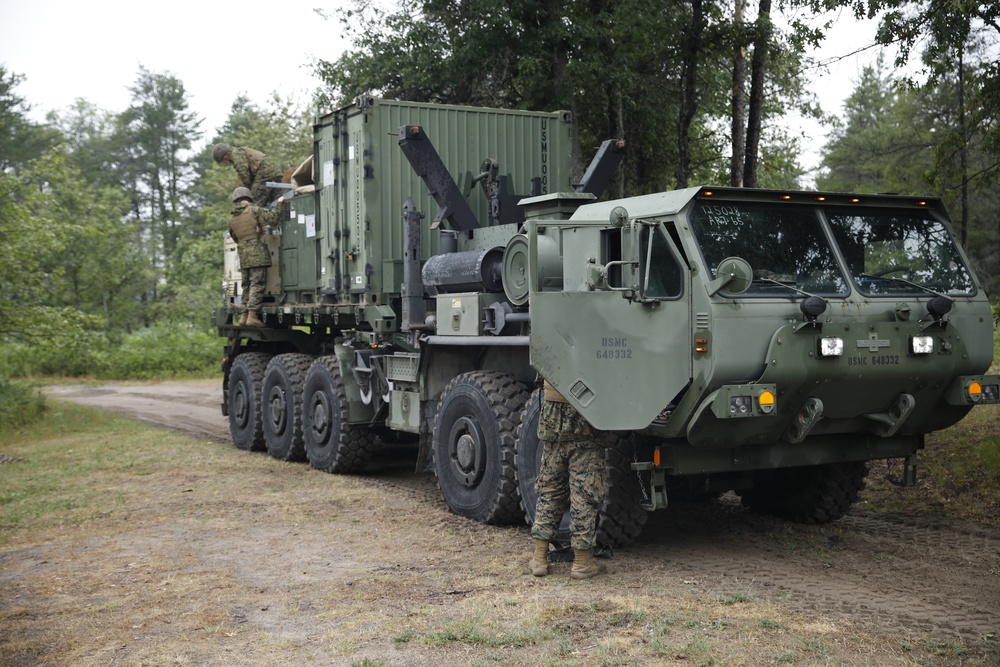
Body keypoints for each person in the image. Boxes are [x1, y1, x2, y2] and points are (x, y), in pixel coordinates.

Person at [528, 379, 609, 580]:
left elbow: (541, 373)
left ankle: (539, 558)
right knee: (585, 493)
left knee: (550, 489)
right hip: (586, 413)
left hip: (553, 415)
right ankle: (582, 562)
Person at [228, 187, 284, 327]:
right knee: (257, 284)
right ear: (248, 197)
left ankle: (244, 316)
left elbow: (235, 237)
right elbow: (273, 219)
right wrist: (280, 203)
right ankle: (252, 316)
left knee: (246, 285)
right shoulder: (253, 209)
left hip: (243, 254)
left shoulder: (232, 217)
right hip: (257, 252)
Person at [213, 143, 283, 208]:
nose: (224, 163)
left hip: (264, 174)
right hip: (275, 173)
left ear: (224, 156)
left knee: (252, 203)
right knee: (277, 202)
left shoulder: (236, 155)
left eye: (222, 161)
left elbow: (244, 174)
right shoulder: (240, 151)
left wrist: (247, 189)